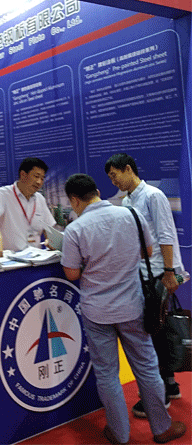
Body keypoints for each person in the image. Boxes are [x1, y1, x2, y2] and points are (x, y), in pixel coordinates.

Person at [61, 173, 186, 444]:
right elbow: (147, 252)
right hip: (132, 306)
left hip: (97, 312)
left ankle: (119, 434)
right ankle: (162, 428)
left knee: (107, 374)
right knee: (147, 367)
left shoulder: (75, 229)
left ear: (74, 200)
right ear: (97, 192)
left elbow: (71, 273)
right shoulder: (131, 215)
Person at [105, 153, 185, 417]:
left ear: (128, 169)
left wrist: (170, 272)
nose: (114, 181)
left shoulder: (153, 195)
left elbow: (166, 234)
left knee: (156, 331)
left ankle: (161, 394)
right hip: (143, 273)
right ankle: (170, 384)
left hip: (159, 273)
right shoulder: (128, 200)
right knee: (157, 328)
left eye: (115, 175)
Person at [0, 157, 56, 259]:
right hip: (7, 258)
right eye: (36, 176)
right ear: (23, 174)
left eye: (42, 178)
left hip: (35, 259)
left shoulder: (40, 199)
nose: (39, 182)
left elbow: (48, 226)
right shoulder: (2, 194)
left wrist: (51, 240)